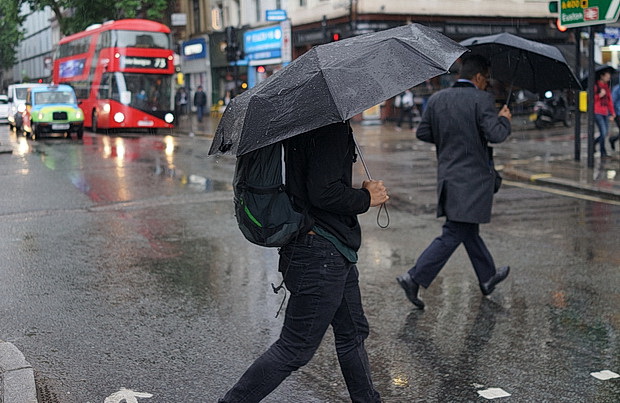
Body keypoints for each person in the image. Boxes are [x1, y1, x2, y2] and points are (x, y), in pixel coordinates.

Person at [219, 121, 387, 402]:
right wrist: (366, 197)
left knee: (353, 331)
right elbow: (324, 192)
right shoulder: (330, 126)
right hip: (321, 253)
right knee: (296, 347)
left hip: (328, 248)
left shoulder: (303, 123)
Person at [396, 54, 512, 309]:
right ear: (479, 77)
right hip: (472, 180)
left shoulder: (438, 99)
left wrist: (450, 140)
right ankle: (413, 277)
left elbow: (423, 132)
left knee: (467, 229)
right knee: (455, 231)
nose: (487, 84)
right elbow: (496, 134)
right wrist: (504, 118)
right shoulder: (482, 99)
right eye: (486, 78)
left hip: (449, 177)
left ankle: (487, 277)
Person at [594, 70, 616, 159]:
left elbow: (610, 101)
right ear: (602, 76)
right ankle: (603, 152)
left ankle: (594, 142)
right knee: (603, 132)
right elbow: (590, 99)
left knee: (605, 132)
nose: (608, 78)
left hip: (605, 112)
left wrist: (612, 113)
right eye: (607, 76)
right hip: (597, 112)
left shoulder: (607, 87)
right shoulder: (596, 86)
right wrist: (599, 95)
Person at [610, 79, 620, 151]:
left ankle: (613, 139)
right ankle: (613, 139)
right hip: (618, 114)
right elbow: (612, 101)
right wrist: (612, 114)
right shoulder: (617, 89)